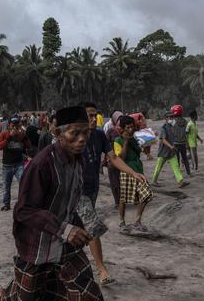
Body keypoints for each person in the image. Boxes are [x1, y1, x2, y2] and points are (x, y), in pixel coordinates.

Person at [0, 106, 103, 301]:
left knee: (88, 296)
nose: (82, 139)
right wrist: (65, 229)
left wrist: (90, 225)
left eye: (86, 133)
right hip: (38, 246)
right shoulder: (42, 164)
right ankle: (0, 295)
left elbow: (76, 195)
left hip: (66, 247)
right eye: (75, 133)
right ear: (58, 133)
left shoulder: (78, 160)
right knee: (26, 297)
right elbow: (23, 210)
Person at [79, 102, 147, 286]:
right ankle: (102, 270)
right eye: (89, 116)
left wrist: (133, 173)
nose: (93, 119)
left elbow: (114, 158)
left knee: (80, 228)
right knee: (92, 226)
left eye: (95, 115)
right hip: (76, 192)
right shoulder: (74, 137)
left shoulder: (100, 135)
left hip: (92, 189)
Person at [114, 115, 153, 232]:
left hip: (138, 171)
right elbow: (120, 158)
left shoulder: (136, 138)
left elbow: (145, 151)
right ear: (122, 129)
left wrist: (148, 141)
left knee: (147, 194)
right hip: (126, 171)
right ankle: (122, 222)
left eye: (132, 127)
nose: (131, 130)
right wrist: (126, 141)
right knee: (124, 198)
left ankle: (137, 221)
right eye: (128, 128)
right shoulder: (118, 141)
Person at [0, 117, 31, 211]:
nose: (15, 127)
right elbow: (0, 146)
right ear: (9, 125)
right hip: (7, 165)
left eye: (17, 124)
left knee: (24, 183)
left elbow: (29, 146)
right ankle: (6, 204)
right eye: (13, 125)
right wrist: (9, 137)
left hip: (19, 164)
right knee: (6, 186)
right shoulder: (4, 134)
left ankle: (24, 203)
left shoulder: (21, 134)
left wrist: (24, 137)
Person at [151, 112, 187, 188]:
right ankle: (154, 181)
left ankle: (180, 181)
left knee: (176, 166)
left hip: (171, 152)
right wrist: (171, 146)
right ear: (166, 119)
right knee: (158, 167)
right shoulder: (163, 128)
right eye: (170, 118)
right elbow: (163, 140)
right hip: (163, 152)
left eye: (172, 117)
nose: (172, 119)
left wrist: (173, 146)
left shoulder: (172, 127)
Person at [104, 110, 124, 206]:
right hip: (112, 160)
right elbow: (105, 146)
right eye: (118, 119)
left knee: (122, 181)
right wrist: (105, 160)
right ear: (114, 120)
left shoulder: (126, 130)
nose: (120, 121)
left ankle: (123, 199)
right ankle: (117, 201)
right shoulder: (110, 131)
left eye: (121, 119)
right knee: (114, 182)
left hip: (123, 160)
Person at [170, 105, 192, 176]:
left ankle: (178, 174)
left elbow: (170, 132)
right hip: (183, 143)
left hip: (175, 143)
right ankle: (189, 173)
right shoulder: (185, 121)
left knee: (177, 160)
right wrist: (187, 144)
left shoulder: (172, 122)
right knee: (185, 158)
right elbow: (187, 133)